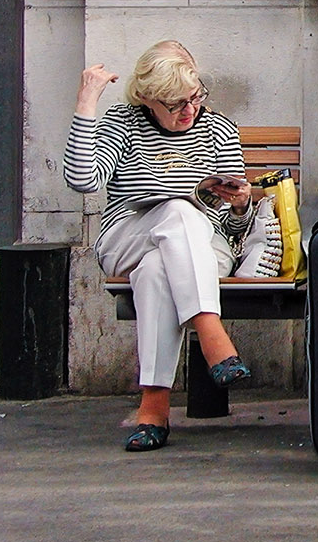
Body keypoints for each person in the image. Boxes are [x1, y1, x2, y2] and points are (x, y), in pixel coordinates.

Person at [64, 41, 255, 452]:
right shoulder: (123, 123)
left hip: (203, 248)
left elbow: (233, 227)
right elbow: (83, 180)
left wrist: (240, 207)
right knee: (176, 212)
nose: (189, 111)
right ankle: (211, 333)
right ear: (147, 99)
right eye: (175, 104)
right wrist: (86, 102)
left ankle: (153, 407)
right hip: (128, 237)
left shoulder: (219, 129)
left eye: (194, 98)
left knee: (157, 268)